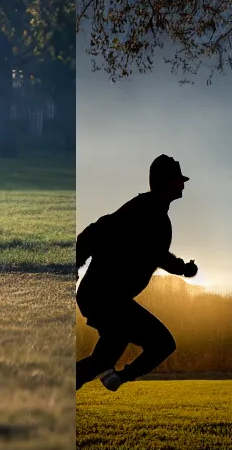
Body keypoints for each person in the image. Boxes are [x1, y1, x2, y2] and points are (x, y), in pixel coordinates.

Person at [77, 154, 197, 391]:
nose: (183, 184)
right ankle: (118, 378)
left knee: (102, 360)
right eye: (179, 179)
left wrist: (182, 268)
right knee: (162, 343)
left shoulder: (155, 213)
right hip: (104, 297)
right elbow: (96, 230)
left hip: (108, 298)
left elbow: (157, 254)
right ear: (165, 182)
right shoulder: (144, 209)